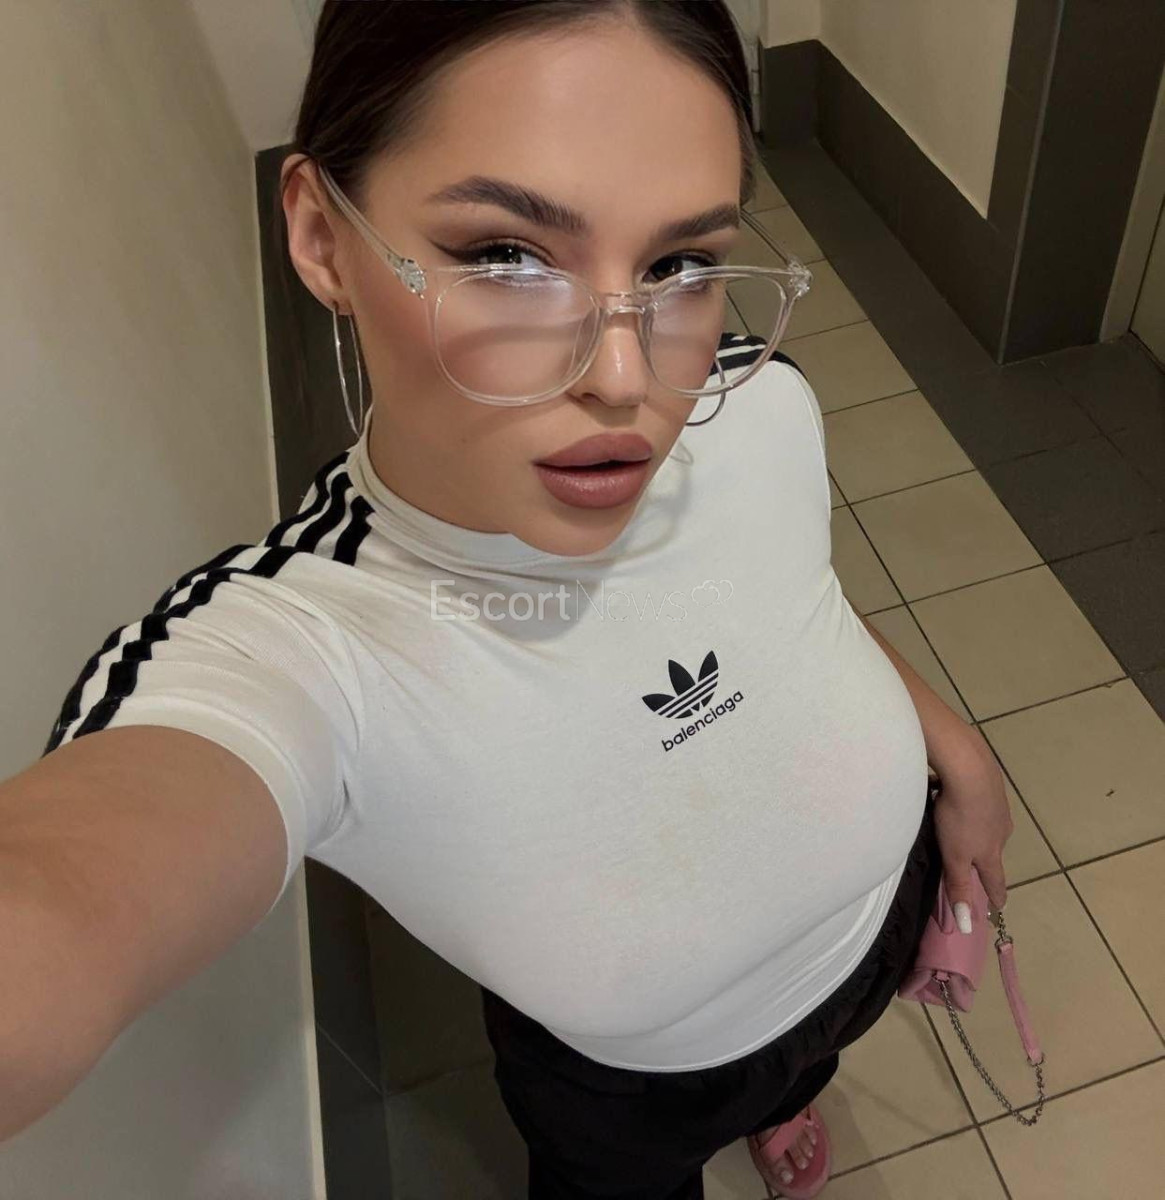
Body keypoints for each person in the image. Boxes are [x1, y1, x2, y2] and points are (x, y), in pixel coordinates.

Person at [0, 2, 1014, 1196]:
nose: (626, 380)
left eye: (680, 265)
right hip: (634, 1088)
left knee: (803, 1062)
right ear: (323, 238)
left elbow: (794, 598)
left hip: (874, 936)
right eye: (506, 258)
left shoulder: (758, 402)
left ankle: (789, 1091)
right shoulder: (303, 647)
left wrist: (952, 751)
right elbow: (65, 898)